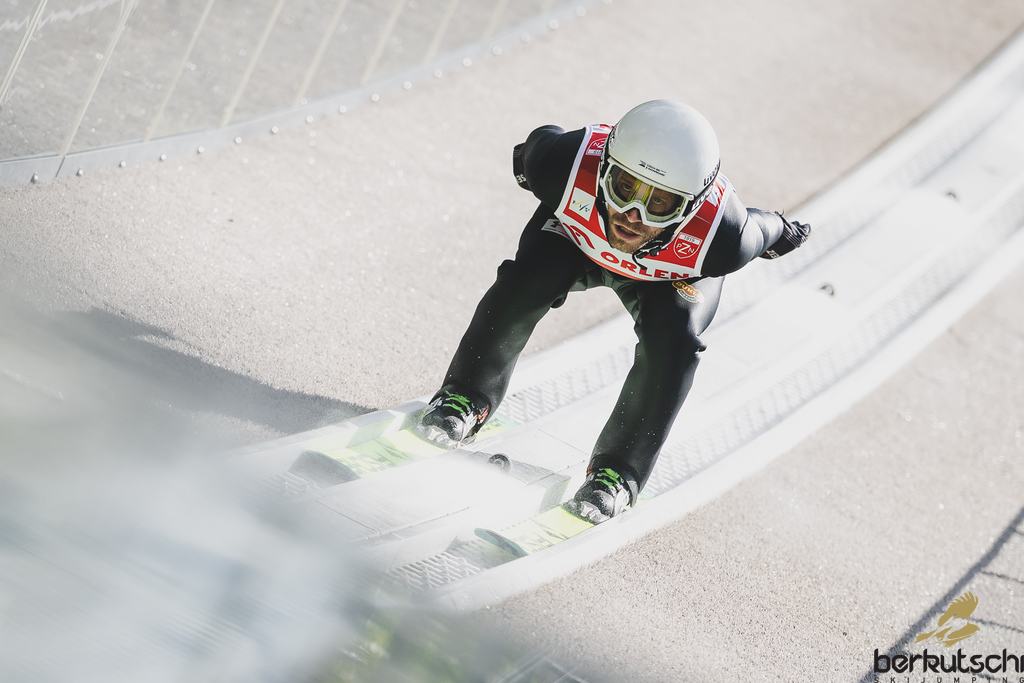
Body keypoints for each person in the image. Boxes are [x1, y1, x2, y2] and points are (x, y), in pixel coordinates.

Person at [415, 100, 810, 523]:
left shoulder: (725, 238)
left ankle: (618, 473)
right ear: (603, 168)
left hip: (666, 277)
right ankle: (464, 396)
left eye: (660, 204)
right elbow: (537, 146)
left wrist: (780, 229)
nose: (631, 216)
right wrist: (530, 163)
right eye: (624, 187)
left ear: (692, 207)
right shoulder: (561, 163)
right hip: (575, 242)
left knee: (676, 342)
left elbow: (762, 227)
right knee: (525, 281)